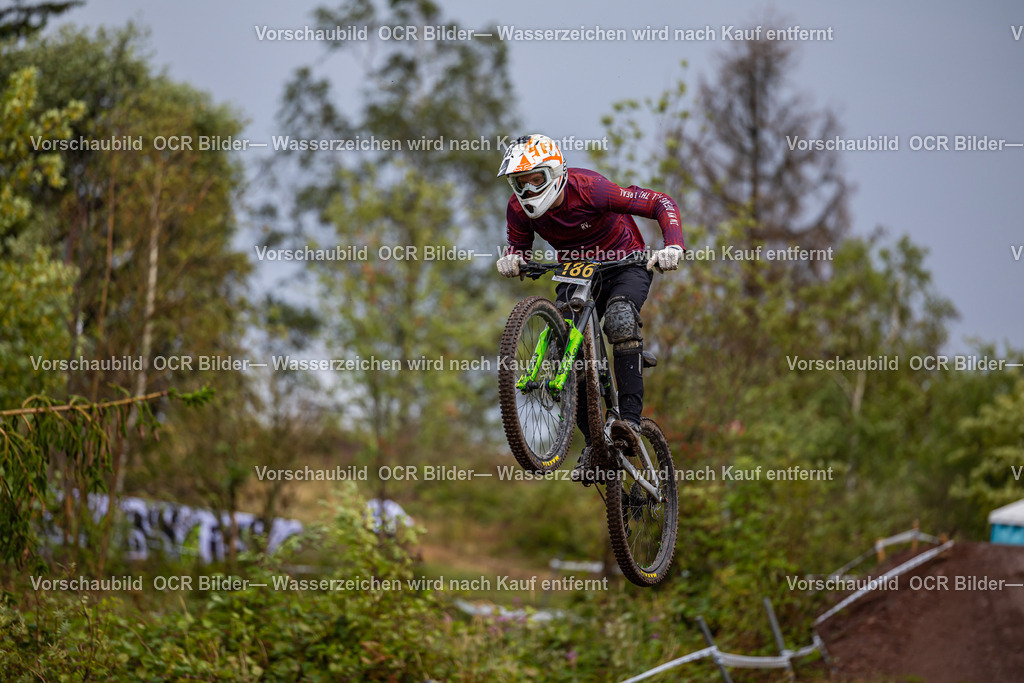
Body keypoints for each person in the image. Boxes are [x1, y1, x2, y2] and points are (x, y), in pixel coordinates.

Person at [495, 134, 685, 482]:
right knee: (566, 349)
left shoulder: (592, 190)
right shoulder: (517, 208)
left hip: (624, 263)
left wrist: (673, 245)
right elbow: (518, 247)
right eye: (519, 182)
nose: (527, 190)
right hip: (576, 272)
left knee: (620, 318)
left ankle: (628, 420)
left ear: (553, 172)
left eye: (534, 179)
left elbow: (660, 202)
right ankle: (594, 442)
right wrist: (513, 259)